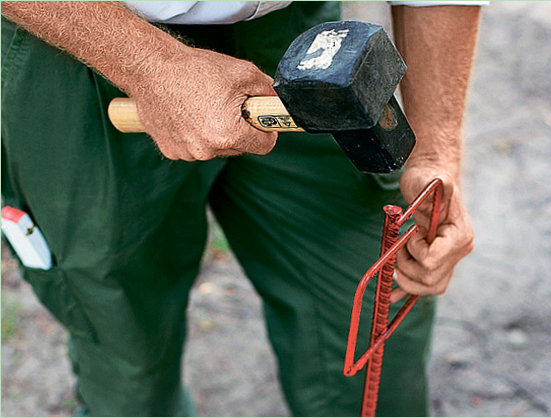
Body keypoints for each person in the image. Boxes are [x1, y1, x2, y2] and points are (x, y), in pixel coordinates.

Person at [1, 1, 482, 416]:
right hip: (80, 37)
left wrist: (437, 145)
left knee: (373, 327)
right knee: (124, 352)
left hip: (301, 40)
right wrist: (147, 65)